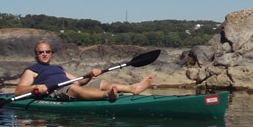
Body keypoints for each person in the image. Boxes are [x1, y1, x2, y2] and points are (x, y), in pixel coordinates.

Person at [15, 40, 154, 101]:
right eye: (41, 52)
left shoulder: (58, 68)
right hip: (56, 91)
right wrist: (35, 88)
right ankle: (107, 95)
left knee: (101, 81)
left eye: (47, 51)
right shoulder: (31, 70)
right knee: (74, 90)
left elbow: (79, 81)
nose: (44, 54)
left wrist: (90, 75)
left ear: (51, 53)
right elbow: (19, 91)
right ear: (36, 54)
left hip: (70, 86)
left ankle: (133, 88)